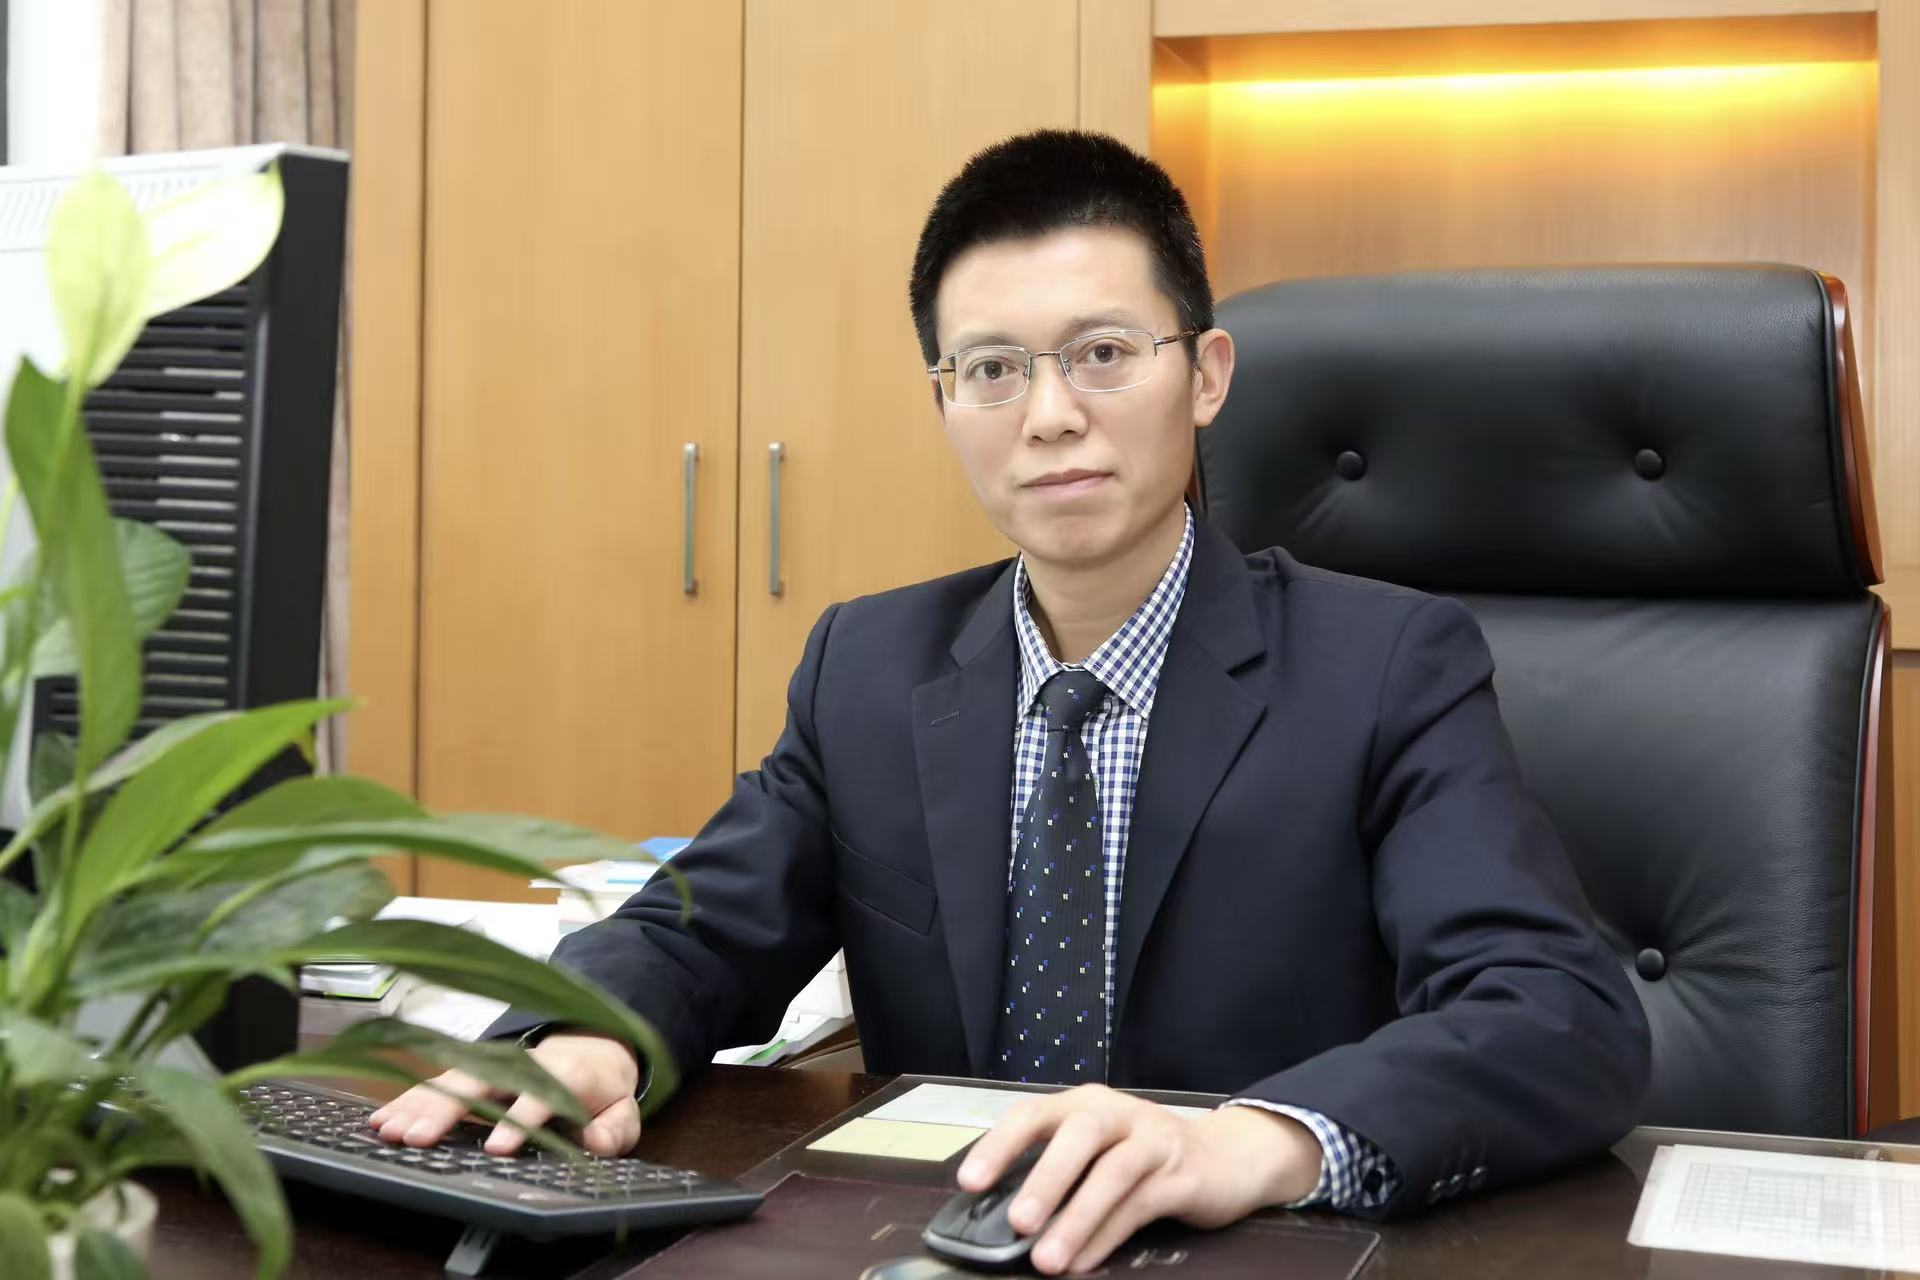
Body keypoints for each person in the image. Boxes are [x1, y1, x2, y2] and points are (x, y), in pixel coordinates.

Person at [371, 130, 1650, 1276]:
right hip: (939, 1240)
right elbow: (698, 931)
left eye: (1103, 354)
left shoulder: (1386, 663)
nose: (1048, 416)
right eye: (990, 368)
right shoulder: (869, 665)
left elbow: (1556, 1014)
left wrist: (1254, 1139)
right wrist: (585, 1038)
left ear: (1206, 374)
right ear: (944, 399)